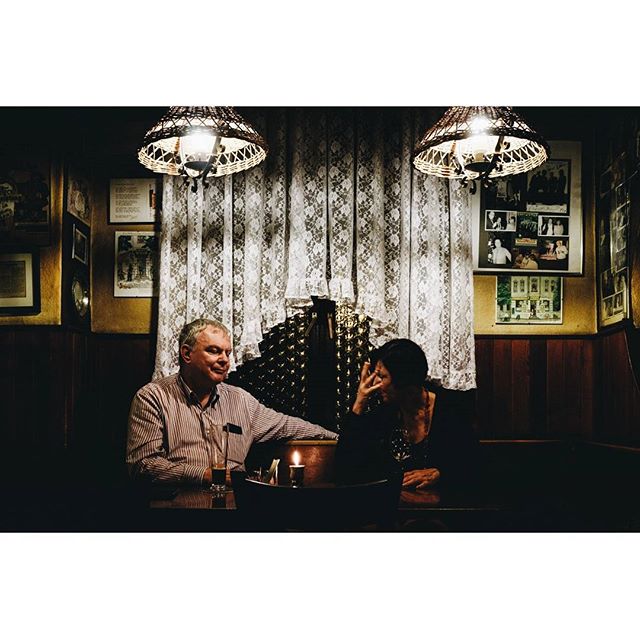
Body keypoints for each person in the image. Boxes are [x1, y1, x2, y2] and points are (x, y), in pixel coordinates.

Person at [126, 318, 337, 485]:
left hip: (238, 506)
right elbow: (143, 465)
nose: (225, 360)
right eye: (214, 351)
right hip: (180, 509)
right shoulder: (152, 397)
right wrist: (206, 475)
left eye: (227, 353)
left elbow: (289, 426)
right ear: (187, 354)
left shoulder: (240, 400)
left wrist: (340, 440)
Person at [335, 339, 478, 490]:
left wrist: (441, 474)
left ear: (404, 381)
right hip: (392, 508)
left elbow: (475, 467)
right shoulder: (384, 414)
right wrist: (359, 402)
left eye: (382, 376)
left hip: (442, 508)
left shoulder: (450, 409)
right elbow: (344, 470)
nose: (375, 384)